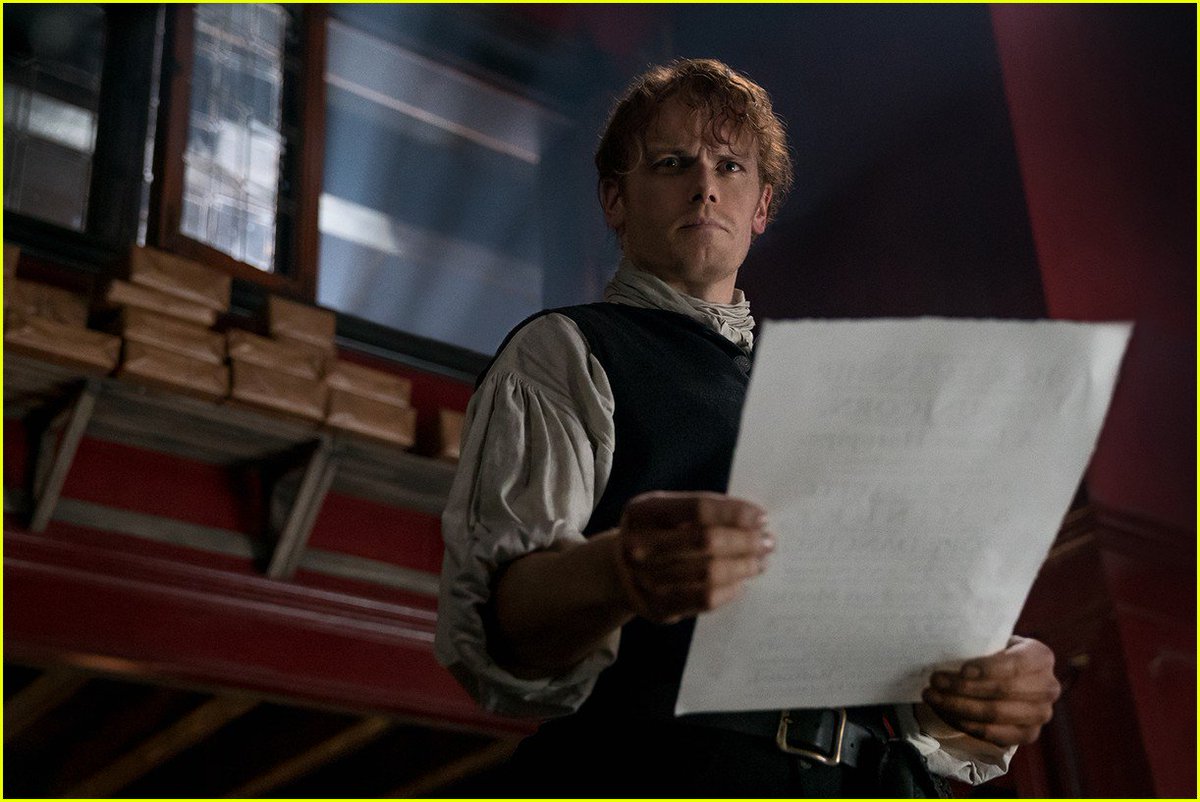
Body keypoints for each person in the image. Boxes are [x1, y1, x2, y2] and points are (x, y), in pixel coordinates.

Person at [435, 58, 1060, 796]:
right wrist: (617, 571)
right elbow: (498, 630)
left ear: (761, 207)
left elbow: (905, 661)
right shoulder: (566, 350)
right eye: (672, 163)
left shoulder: (831, 398)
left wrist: (989, 684)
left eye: (729, 166)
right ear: (614, 199)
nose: (705, 186)